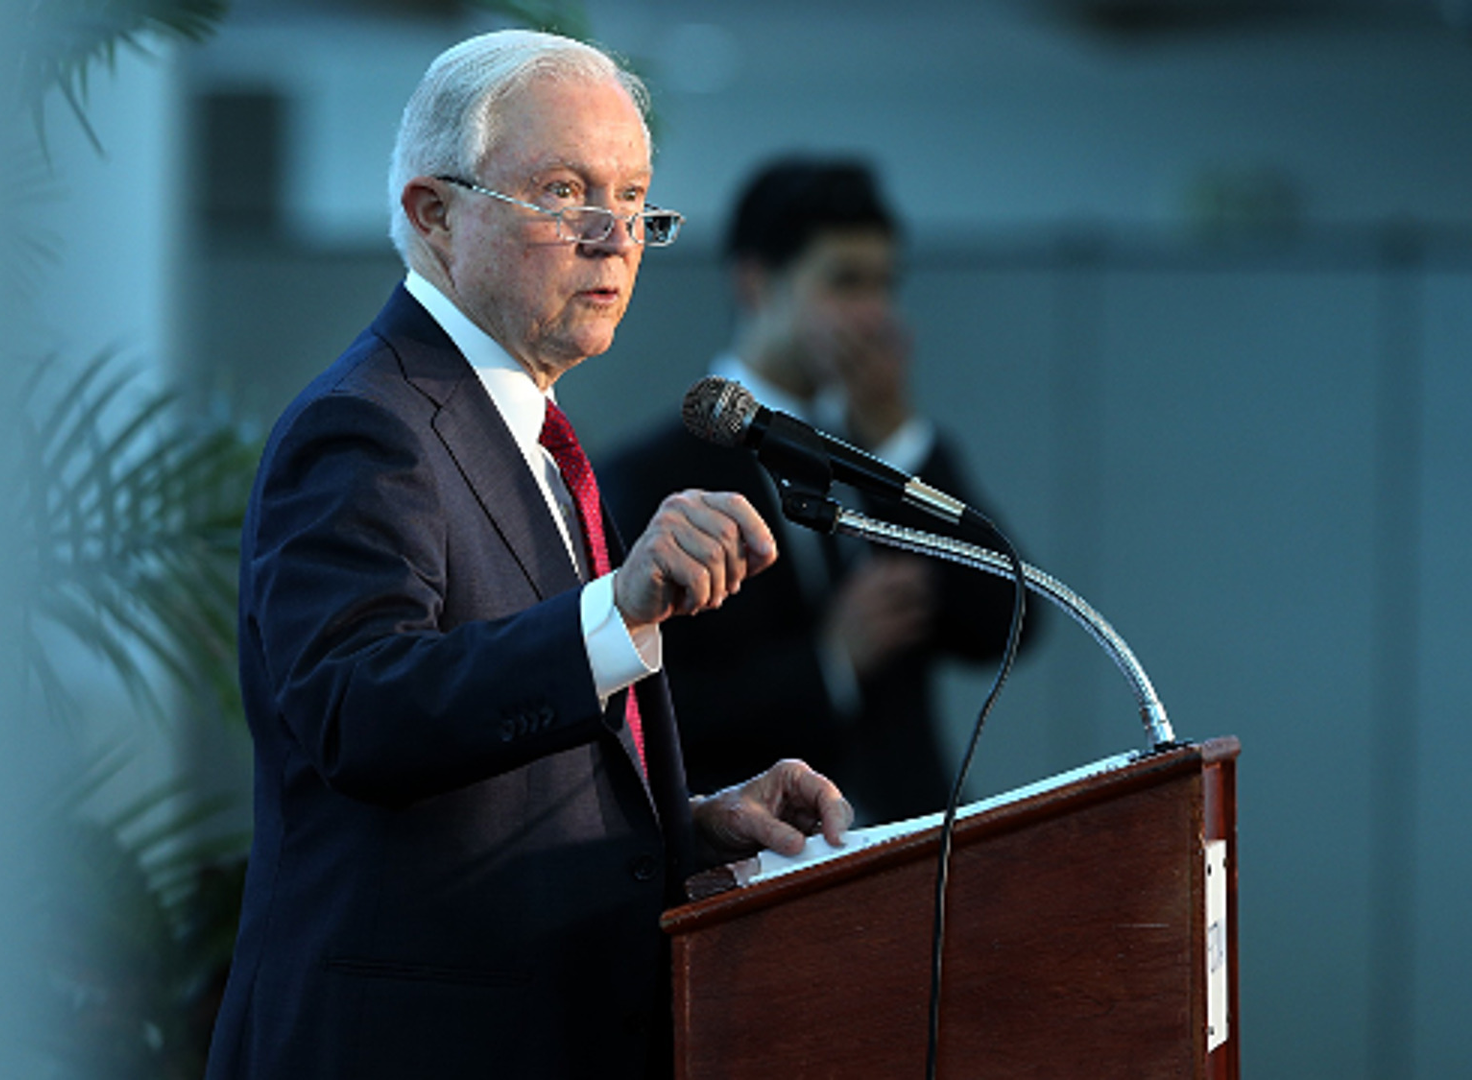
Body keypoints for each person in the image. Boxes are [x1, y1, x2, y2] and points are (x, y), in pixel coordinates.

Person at [206, 31, 852, 1080]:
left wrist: (688, 827)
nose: (615, 236)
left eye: (636, 197)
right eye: (564, 191)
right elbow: (357, 713)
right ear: (435, 212)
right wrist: (617, 612)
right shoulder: (366, 426)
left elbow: (489, 791)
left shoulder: (529, 437)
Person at [602, 157, 1031, 824]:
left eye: (885, 285)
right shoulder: (649, 475)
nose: (874, 314)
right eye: (844, 283)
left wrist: (896, 438)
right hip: (771, 860)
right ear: (755, 283)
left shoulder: (886, 449)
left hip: (924, 847)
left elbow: (1005, 625)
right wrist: (829, 662)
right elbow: (655, 709)